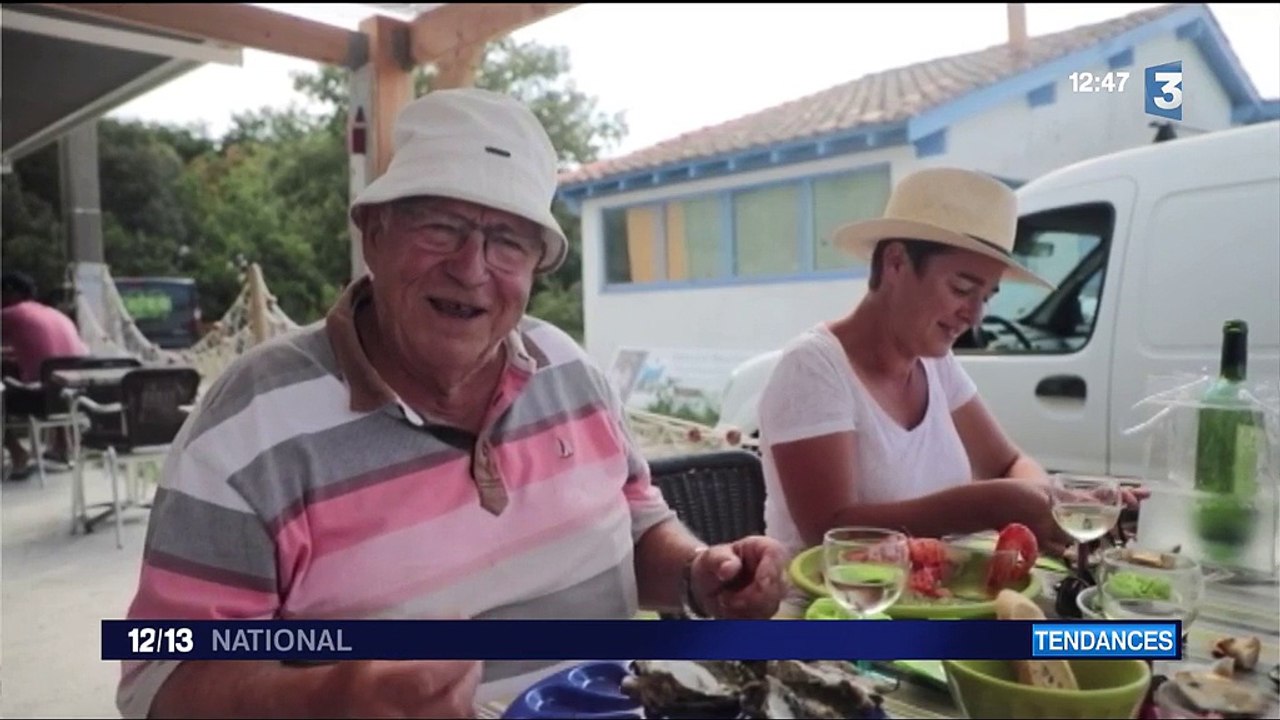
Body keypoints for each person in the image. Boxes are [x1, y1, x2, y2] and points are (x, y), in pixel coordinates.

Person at [117, 88, 787, 720]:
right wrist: (329, 695)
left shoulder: (570, 369)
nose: (471, 268)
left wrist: (701, 575)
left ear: (533, 269)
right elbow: (158, 673)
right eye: (441, 227)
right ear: (373, 233)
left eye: (508, 242)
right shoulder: (252, 419)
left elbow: (635, 524)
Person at [758, 167, 1086, 566]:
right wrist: (990, 506)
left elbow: (1008, 462)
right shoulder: (812, 368)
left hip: (937, 599)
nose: (975, 316)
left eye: (987, 296)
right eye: (962, 289)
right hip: (832, 610)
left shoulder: (936, 365)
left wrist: (1041, 501)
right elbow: (830, 534)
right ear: (896, 263)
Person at [1, 271, 88, 478]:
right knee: (47, 378)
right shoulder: (53, 314)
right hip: (75, 397)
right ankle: (61, 446)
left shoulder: (11, 314)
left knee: (5, 396)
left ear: (9, 292)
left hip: (43, 397)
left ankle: (17, 453)